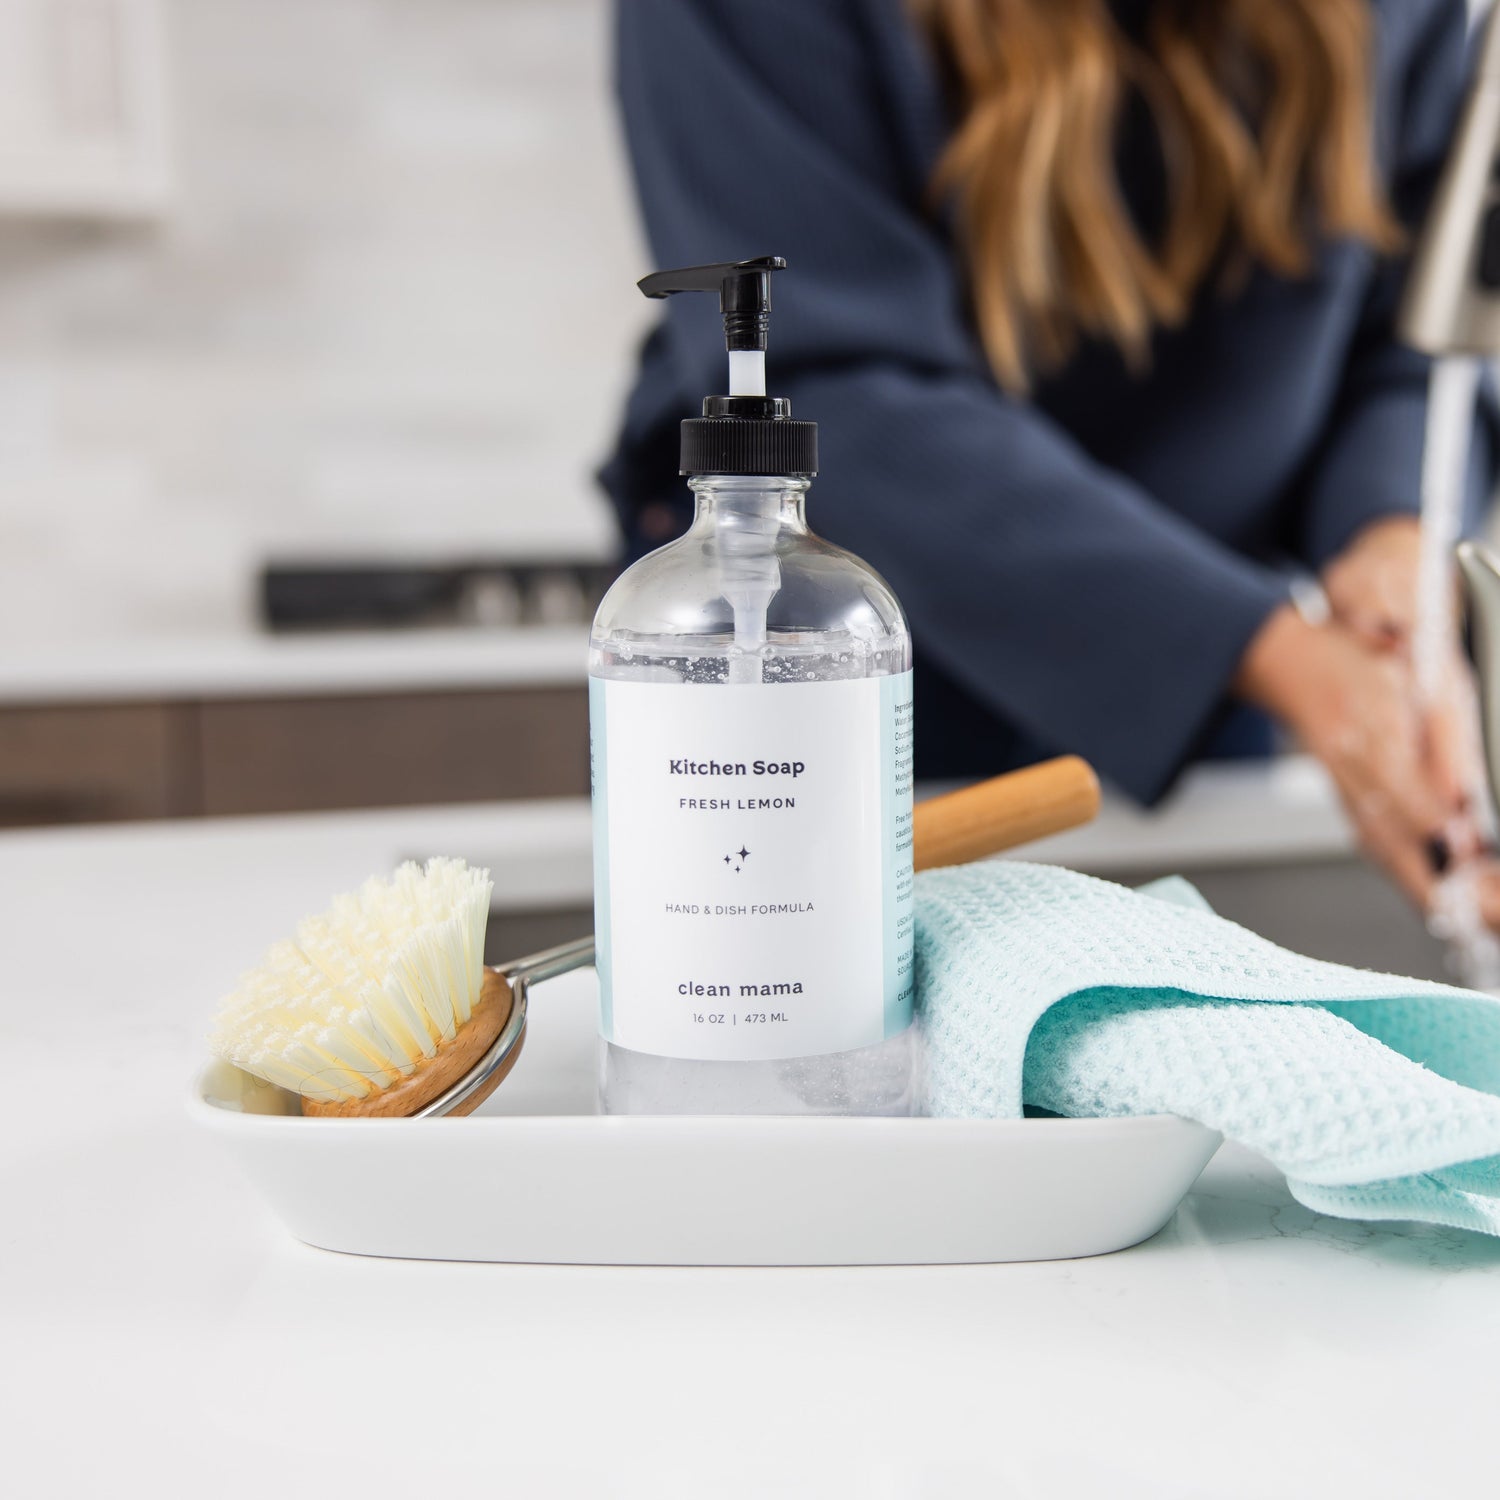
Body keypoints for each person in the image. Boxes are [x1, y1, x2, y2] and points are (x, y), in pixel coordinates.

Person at [600, 0, 1500, 923]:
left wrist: (1392, 536)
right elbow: (834, 382)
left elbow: (1420, 329)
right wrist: (1271, 652)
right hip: (823, 627)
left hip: (1213, 644)